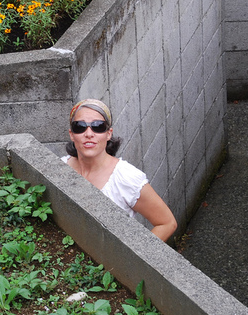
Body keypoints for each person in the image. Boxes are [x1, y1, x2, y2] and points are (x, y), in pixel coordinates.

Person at [61, 99, 177, 242]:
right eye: (80, 127)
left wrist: (133, 259)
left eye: (98, 126)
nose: (89, 133)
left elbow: (166, 223)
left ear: (108, 134)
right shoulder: (60, 169)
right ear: (72, 134)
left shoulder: (127, 178)